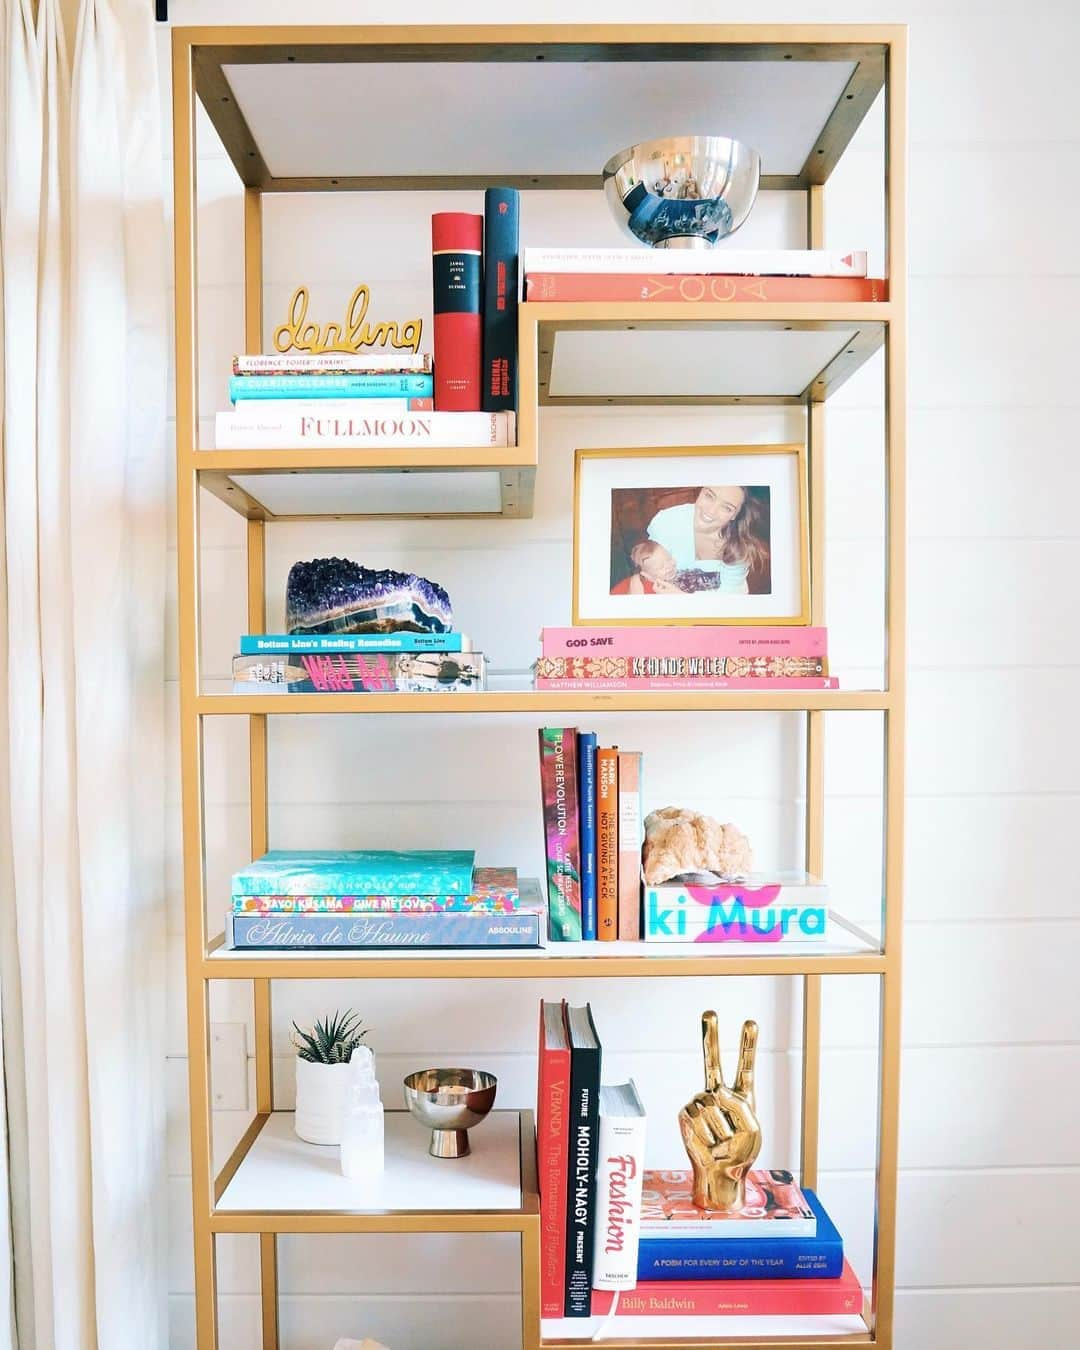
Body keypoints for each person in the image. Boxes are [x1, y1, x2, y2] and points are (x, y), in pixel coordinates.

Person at [645, 485, 768, 594]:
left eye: (726, 508)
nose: (711, 511)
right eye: (709, 496)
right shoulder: (666, 521)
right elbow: (650, 569)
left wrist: (683, 600)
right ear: (701, 490)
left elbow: (728, 602)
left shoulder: (739, 547)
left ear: (735, 515)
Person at [610, 539, 683, 594]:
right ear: (646, 574)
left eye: (669, 559)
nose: (669, 566)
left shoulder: (679, 575)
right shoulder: (647, 591)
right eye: (660, 567)